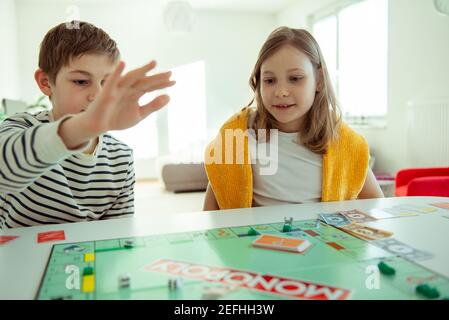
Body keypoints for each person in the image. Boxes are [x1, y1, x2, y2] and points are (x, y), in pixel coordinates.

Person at [0, 21, 175, 228]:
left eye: (106, 83)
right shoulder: (20, 128)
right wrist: (83, 127)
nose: (98, 96)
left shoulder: (121, 157)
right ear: (46, 82)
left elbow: (117, 235)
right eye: (81, 82)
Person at [203, 27, 383, 211]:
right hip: (254, 238)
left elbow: (376, 204)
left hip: (319, 238)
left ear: (319, 81)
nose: (281, 92)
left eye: (295, 78)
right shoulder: (237, 134)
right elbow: (218, 187)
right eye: (270, 80)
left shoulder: (344, 142)